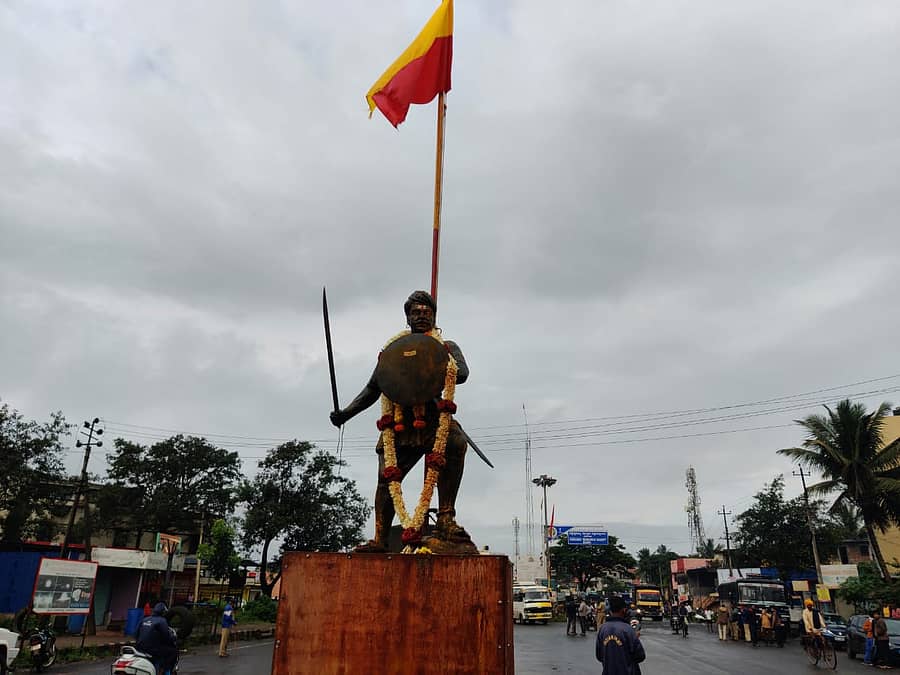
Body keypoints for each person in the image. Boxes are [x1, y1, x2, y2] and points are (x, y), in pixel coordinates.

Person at [329, 291, 474, 553]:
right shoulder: (393, 352)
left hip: (432, 421)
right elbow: (374, 388)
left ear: (434, 316)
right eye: (415, 312)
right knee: (387, 478)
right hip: (399, 422)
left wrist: (438, 360)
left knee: (455, 441)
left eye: (425, 312)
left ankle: (445, 519)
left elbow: (461, 373)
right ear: (407, 317)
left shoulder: (446, 347)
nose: (420, 316)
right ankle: (380, 538)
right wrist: (346, 413)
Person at [596, 595, 646, 675]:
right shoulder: (628, 630)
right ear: (623, 610)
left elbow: (599, 656)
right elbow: (640, 656)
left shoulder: (603, 629)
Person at [135, 602, 178, 675]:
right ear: (163, 612)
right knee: (173, 652)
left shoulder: (145, 619)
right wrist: (173, 638)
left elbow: (136, 634)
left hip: (139, 648)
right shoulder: (162, 621)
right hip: (153, 650)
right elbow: (166, 636)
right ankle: (166, 671)